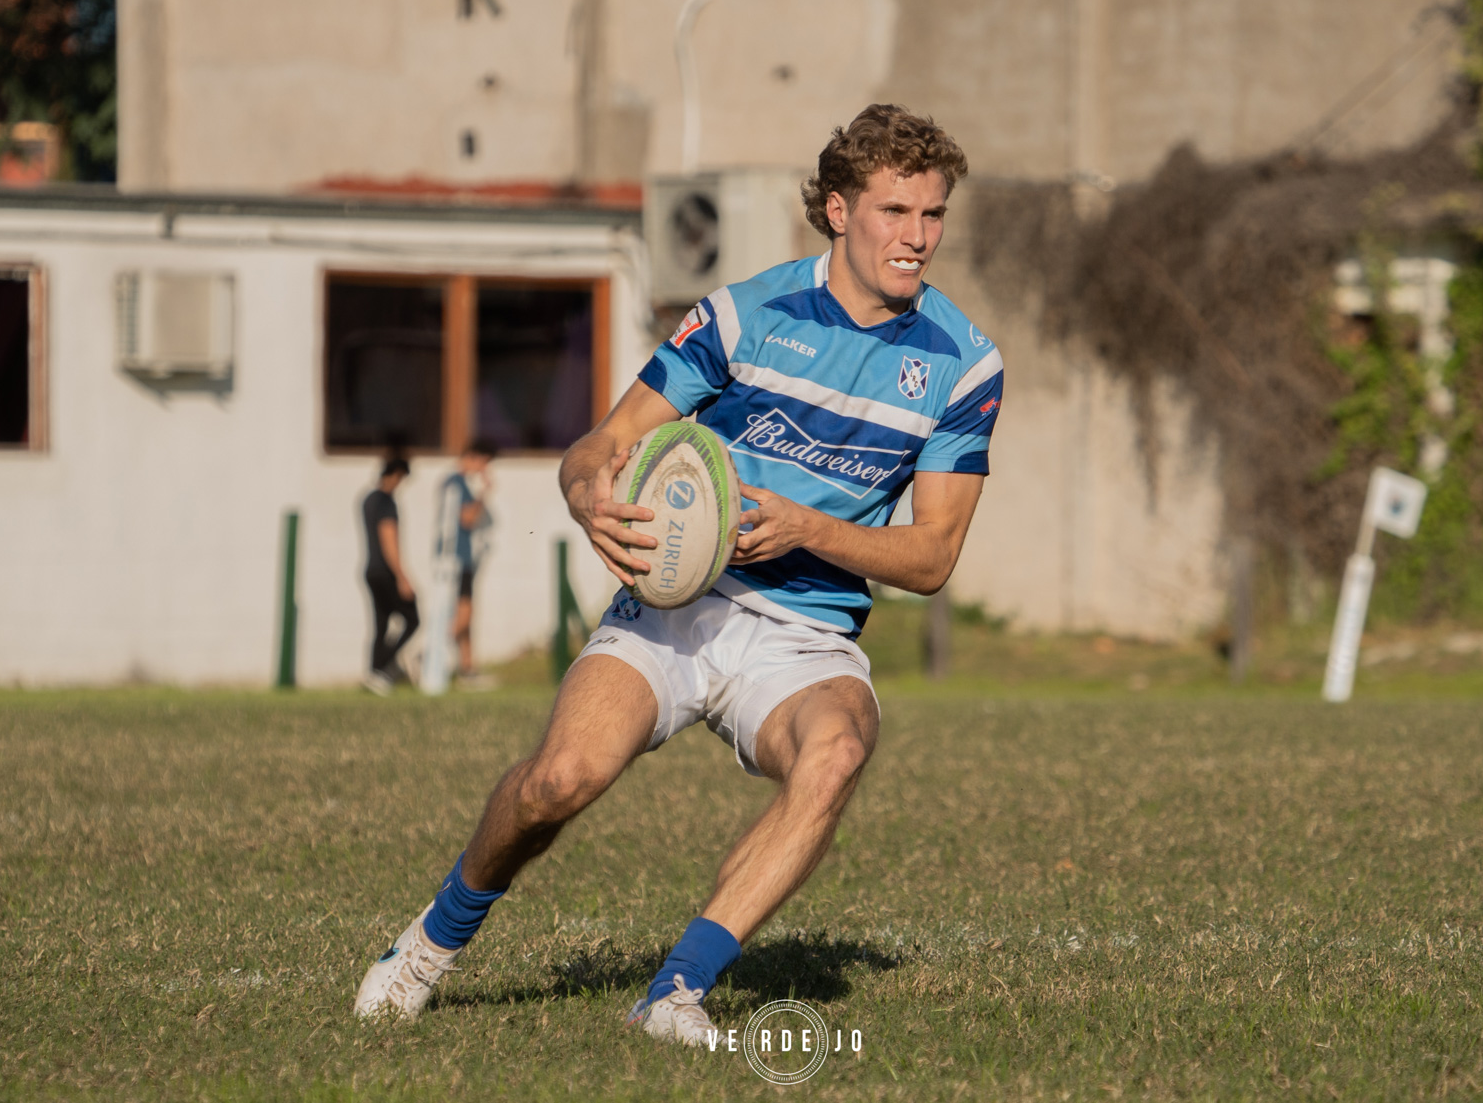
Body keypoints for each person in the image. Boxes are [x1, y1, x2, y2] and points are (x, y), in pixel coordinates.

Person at [353, 104, 1004, 1043]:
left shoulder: (963, 363)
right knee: (557, 782)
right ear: (836, 209)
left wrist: (804, 527)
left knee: (837, 753)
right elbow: (606, 442)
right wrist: (587, 496)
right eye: (894, 211)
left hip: (805, 634)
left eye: (932, 215)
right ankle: (429, 943)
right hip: (675, 599)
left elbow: (934, 554)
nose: (917, 237)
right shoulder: (745, 315)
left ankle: (674, 992)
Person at [436, 439, 496, 679]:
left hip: (462, 558)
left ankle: (467, 667)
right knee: (464, 613)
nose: (485, 469)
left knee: (466, 613)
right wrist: (484, 493)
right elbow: (467, 519)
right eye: (484, 462)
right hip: (457, 558)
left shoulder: (456, 483)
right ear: (474, 456)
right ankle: (429, 653)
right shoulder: (457, 483)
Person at [361, 457, 418, 694]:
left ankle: (375, 673)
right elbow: (388, 539)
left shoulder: (368, 499)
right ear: (394, 475)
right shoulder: (386, 502)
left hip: (371, 569)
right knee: (413, 618)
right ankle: (381, 670)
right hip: (386, 571)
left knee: (381, 624)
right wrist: (402, 576)